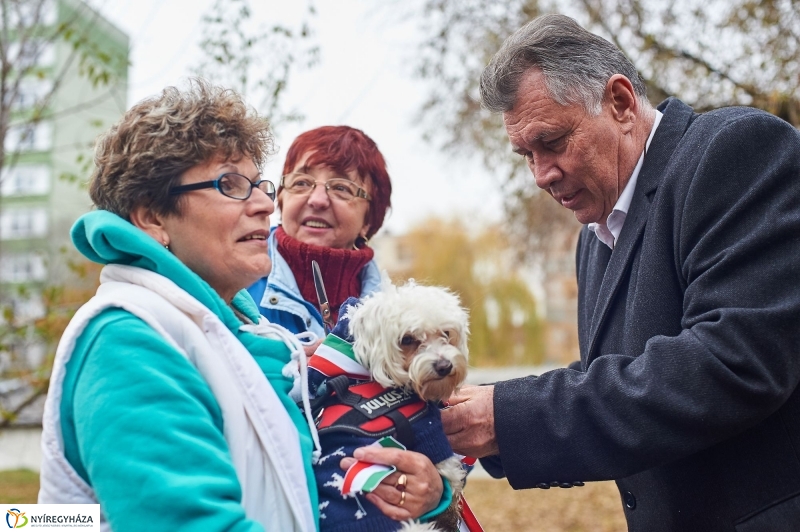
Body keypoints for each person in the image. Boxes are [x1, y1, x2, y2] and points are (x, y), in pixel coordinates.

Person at [441, 13, 800, 532]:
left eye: (554, 142)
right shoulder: (595, 238)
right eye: (526, 154)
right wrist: (491, 414)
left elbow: (731, 363)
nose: (541, 175)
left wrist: (508, 418)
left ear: (621, 103)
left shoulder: (735, 151)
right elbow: (618, 379)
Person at [37, 80, 446, 531]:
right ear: (153, 217)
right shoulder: (130, 340)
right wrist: (24, 523)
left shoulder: (235, 332)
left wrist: (434, 496)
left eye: (259, 184)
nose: (265, 205)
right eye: (232, 185)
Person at [247, 125, 391, 340]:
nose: (317, 200)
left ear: (369, 220)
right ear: (282, 199)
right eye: (301, 183)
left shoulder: (394, 316)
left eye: (342, 188)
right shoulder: (234, 283)